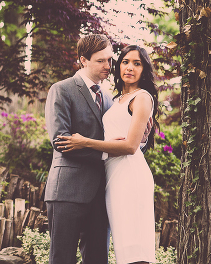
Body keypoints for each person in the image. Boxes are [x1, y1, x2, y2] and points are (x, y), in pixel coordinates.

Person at [56, 45, 160, 264]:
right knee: (123, 248)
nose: (129, 67)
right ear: (118, 65)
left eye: (137, 63)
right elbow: (124, 138)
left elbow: (129, 147)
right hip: (112, 176)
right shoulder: (116, 99)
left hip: (130, 177)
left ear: (144, 69)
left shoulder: (142, 97)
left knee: (135, 248)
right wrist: (139, 141)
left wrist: (83, 142)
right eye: (125, 62)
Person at [44, 34, 114, 264]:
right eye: (101, 61)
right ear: (83, 60)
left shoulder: (109, 98)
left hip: (100, 193)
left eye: (110, 60)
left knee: (97, 260)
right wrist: (106, 153)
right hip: (67, 191)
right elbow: (61, 140)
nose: (108, 66)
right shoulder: (62, 89)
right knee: (62, 259)